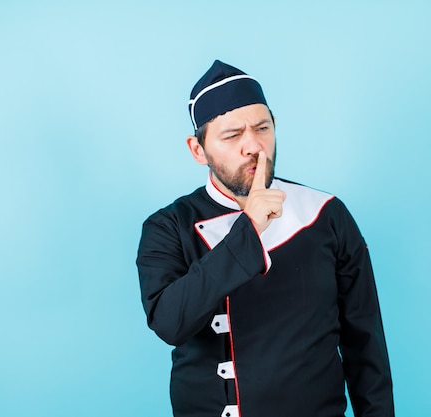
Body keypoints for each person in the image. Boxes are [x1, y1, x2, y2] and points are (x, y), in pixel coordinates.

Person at [136, 60, 394, 417]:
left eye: (262, 128)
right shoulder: (167, 227)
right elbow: (169, 322)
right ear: (198, 150)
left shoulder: (326, 213)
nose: (254, 147)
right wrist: (249, 229)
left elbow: (366, 346)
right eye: (232, 135)